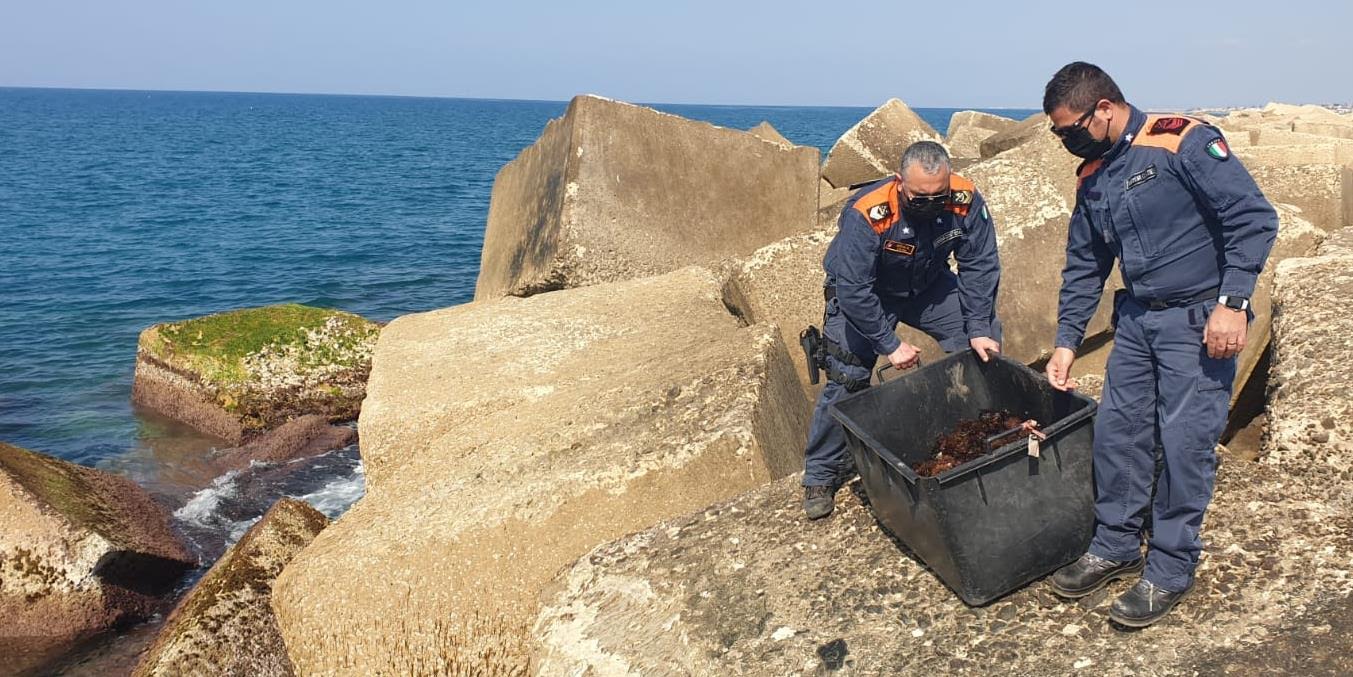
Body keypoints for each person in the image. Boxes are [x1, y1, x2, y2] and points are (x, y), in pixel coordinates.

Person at [1041, 62, 1278, 627]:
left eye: (1070, 129)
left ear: (1105, 108)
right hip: (1139, 323)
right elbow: (1084, 266)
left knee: (1183, 445)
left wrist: (1234, 303)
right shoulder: (1093, 175)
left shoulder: (1183, 143)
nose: (1066, 140)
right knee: (1119, 435)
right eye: (1057, 134)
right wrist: (1067, 342)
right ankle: (1117, 543)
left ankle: (1170, 567)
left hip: (1199, 322)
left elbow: (1253, 218)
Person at [802, 140, 1002, 520]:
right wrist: (890, 344)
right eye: (919, 196)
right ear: (900, 182)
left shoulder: (964, 198)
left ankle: (975, 433)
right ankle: (821, 472)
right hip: (869, 290)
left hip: (926, 284)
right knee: (847, 371)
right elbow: (853, 288)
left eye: (937, 196)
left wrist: (977, 326)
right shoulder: (868, 212)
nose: (929, 203)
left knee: (983, 340)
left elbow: (980, 264)